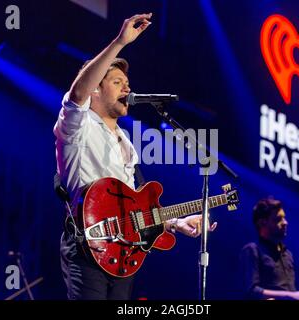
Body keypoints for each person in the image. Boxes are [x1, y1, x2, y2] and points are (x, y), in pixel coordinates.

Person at [54, 13, 216, 300]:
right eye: (117, 82)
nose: (127, 88)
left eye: (127, 83)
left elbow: (133, 213)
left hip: (122, 253)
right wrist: (120, 42)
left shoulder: (127, 143)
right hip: (86, 246)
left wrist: (175, 222)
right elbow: (77, 93)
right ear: (96, 89)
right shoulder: (77, 126)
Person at [238, 197, 299, 300]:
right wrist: (289, 295)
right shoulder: (252, 250)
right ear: (262, 223)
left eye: (284, 218)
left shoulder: (287, 254)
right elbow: (251, 291)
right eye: (278, 219)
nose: (285, 222)